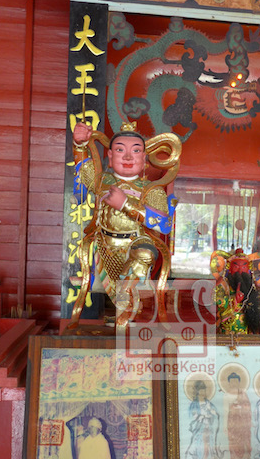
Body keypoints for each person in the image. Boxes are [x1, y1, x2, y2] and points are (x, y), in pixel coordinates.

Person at [69, 121, 180, 327]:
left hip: (135, 244)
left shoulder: (151, 190)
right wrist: (79, 144)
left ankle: (127, 304)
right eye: (120, 150)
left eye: (135, 151)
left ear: (144, 159)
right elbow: (83, 172)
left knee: (144, 254)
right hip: (104, 245)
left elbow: (164, 225)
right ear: (110, 157)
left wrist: (126, 205)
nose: (128, 157)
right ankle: (122, 311)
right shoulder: (102, 181)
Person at [210, 247, 260, 334]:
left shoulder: (252, 284)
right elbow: (216, 299)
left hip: (248, 327)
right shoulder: (223, 283)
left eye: (244, 267)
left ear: (248, 269)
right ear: (229, 268)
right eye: (236, 267)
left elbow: (258, 301)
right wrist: (234, 300)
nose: (240, 271)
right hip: (229, 327)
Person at [185, 380, 221, 459]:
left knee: (209, 442)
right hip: (199, 427)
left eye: (204, 390)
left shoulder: (208, 403)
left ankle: (208, 458)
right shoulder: (194, 404)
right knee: (201, 442)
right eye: (201, 390)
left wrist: (213, 414)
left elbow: (214, 412)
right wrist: (202, 417)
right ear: (197, 391)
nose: (203, 392)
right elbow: (193, 416)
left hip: (208, 426)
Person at [226, 372, 252, 459]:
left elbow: (248, 406)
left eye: (236, 381)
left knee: (245, 440)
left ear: (239, 382)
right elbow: (225, 411)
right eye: (232, 381)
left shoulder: (243, 394)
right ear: (229, 383)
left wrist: (241, 407)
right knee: (234, 440)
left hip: (243, 422)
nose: (234, 383)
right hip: (232, 423)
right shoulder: (226, 395)